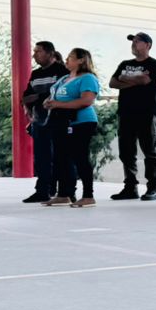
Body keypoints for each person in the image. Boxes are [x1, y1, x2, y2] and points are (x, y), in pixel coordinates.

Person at [43, 47, 101, 207]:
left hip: (81, 122)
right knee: (61, 158)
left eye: (70, 57)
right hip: (61, 122)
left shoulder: (88, 78)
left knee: (80, 156)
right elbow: (54, 95)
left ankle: (88, 195)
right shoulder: (64, 78)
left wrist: (58, 104)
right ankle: (64, 194)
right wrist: (49, 102)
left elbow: (86, 100)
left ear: (81, 60)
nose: (66, 60)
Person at [109, 32, 156, 201]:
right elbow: (112, 82)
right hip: (125, 113)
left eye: (138, 41)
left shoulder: (154, 64)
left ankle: (153, 188)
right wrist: (135, 80)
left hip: (145, 113)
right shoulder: (125, 63)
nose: (133, 43)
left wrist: (125, 79)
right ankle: (130, 187)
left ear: (148, 45)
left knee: (150, 152)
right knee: (126, 152)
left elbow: (146, 81)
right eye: (133, 41)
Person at [21, 40, 67, 204]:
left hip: (59, 119)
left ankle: (64, 191)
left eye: (38, 51)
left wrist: (38, 97)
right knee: (41, 157)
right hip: (39, 120)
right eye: (34, 52)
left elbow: (59, 93)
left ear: (50, 53)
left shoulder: (62, 71)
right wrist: (31, 103)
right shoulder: (35, 74)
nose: (34, 55)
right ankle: (42, 190)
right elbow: (26, 96)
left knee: (60, 157)